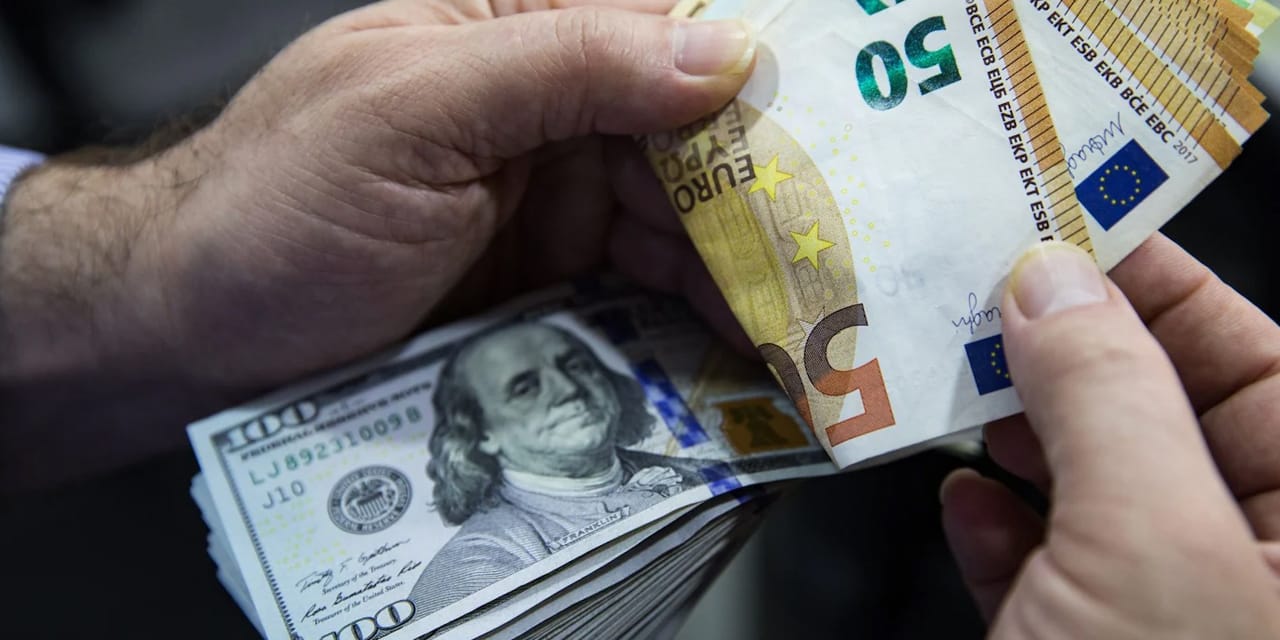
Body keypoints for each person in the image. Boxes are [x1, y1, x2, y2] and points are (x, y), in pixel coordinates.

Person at [0, 1, 1275, 636]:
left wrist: (143, 281)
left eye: (547, 373)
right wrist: (146, 270)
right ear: (474, 444)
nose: (564, 386)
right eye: (520, 390)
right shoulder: (478, 573)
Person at [409, 320, 710, 615]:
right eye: (525, 389)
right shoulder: (474, 566)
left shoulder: (700, 473)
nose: (568, 389)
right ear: (483, 433)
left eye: (576, 366)